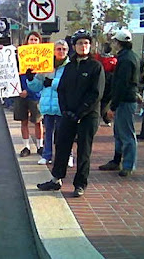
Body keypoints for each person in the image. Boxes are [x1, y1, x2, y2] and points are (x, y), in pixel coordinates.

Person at [37, 29, 105, 197]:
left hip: (87, 116)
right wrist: (65, 110)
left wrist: (81, 112)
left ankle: (80, 184)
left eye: (87, 43)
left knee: (84, 151)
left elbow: (96, 93)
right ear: (75, 46)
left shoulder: (95, 66)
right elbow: (62, 89)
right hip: (68, 114)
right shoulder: (69, 67)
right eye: (80, 43)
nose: (84, 46)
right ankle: (56, 179)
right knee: (61, 146)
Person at [98, 29, 140, 177]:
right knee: (120, 133)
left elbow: (122, 84)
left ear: (118, 43)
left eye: (115, 41)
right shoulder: (130, 57)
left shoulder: (125, 60)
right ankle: (117, 160)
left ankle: (127, 165)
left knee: (127, 134)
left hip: (125, 101)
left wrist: (113, 106)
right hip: (126, 99)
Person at [26, 39, 71, 165]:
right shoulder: (45, 65)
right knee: (48, 132)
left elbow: (70, 84)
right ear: (54, 50)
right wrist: (30, 79)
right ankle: (47, 155)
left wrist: (52, 83)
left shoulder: (70, 66)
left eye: (64, 49)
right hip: (48, 105)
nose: (61, 51)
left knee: (64, 133)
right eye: (59, 49)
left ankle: (68, 156)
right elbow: (37, 86)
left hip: (63, 105)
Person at [14, 31, 44, 157]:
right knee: (23, 121)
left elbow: (43, 78)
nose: (33, 42)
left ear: (39, 42)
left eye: (35, 40)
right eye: (31, 39)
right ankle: (26, 146)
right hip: (21, 93)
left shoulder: (43, 57)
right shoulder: (20, 56)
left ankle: (40, 145)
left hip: (36, 95)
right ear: (27, 41)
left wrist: (30, 90)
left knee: (38, 121)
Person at [94, 42, 117, 126]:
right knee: (103, 101)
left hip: (107, 81)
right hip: (104, 80)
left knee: (104, 101)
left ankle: (105, 118)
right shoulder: (110, 59)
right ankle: (105, 118)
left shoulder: (110, 60)